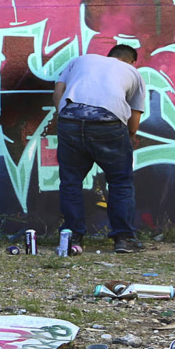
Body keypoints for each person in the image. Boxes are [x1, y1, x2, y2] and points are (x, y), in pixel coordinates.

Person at [52, 44, 146, 254]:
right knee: (120, 182)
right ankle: (123, 239)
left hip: (70, 118)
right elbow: (133, 123)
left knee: (70, 181)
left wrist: (67, 118)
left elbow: (58, 92)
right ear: (132, 61)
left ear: (109, 56)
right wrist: (126, 138)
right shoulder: (133, 73)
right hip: (109, 122)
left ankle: (72, 237)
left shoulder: (81, 60)